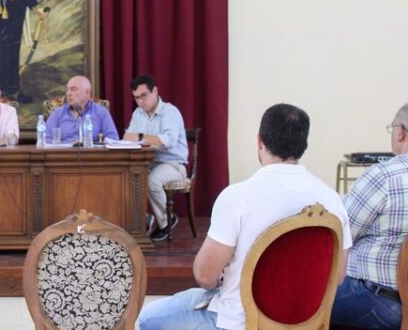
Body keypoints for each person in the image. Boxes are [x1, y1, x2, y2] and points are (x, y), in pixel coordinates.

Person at [137, 103, 352, 330]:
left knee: (147, 318)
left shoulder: (237, 198)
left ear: (260, 142)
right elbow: (337, 277)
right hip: (305, 324)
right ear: (304, 145)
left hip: (238, 323)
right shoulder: (332, 201)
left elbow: (205, 276)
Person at [330, 102, 408, 330]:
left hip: (379, 301)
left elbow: (340, 234)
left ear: (401, 132)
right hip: (398, 304)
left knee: (298, 294)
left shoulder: (384, 176)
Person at [123, 75, 189, 241]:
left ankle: (166, 221)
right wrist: (135, 138)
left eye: (144, 96)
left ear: (155, 91)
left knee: (151, 180)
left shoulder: (170, 112)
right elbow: (128, 137)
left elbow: (168, 140)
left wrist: (140, 137)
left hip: (173, 164)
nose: (140, 101)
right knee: (123, 177)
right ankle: (143, 220)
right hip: (147, 162)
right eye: (136, 98)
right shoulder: (138, 113)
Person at [45, 75, 119, 143]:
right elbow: (46, 139)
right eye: (67, 90)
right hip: (64, 152)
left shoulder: (101, 112)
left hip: (92, 152)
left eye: (73, 89)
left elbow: (113, 139)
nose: (68, 93)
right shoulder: (57, 113)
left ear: (87, 93)